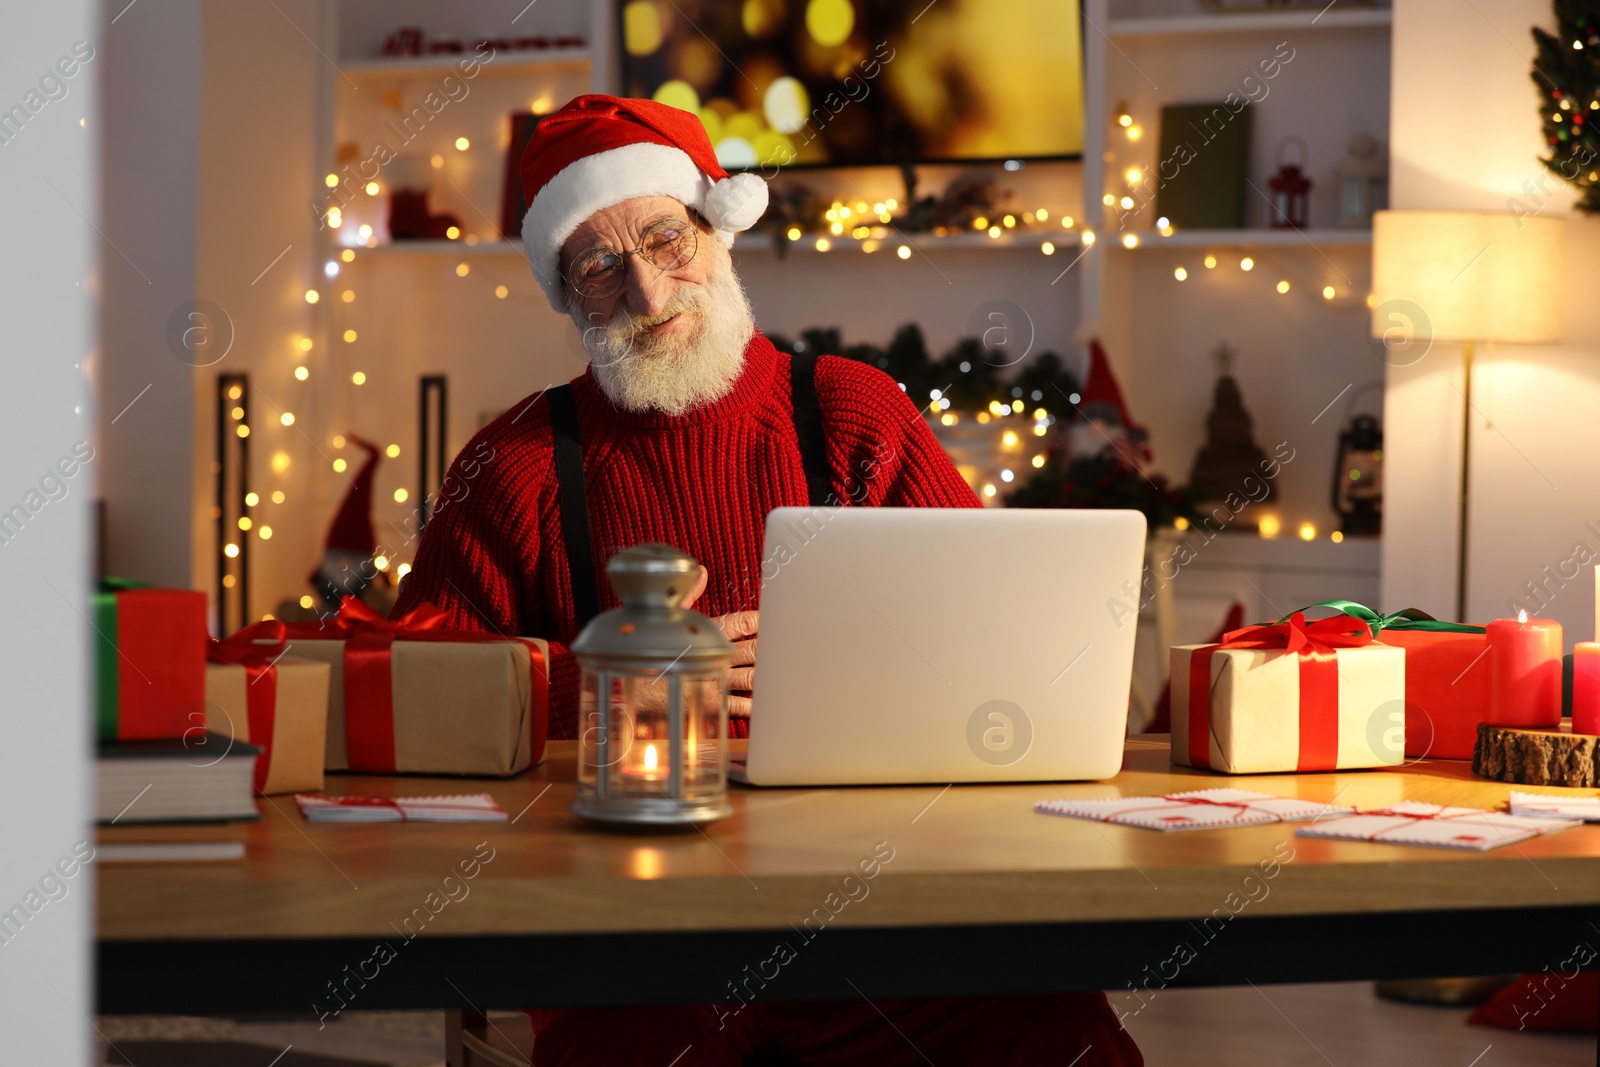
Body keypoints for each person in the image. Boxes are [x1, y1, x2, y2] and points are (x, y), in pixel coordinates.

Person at [392, 94, 1142, 1067]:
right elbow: (409, 688)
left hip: (878, 912)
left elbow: (987, 643)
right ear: (566, 294)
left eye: (667, 241)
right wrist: (605, 688)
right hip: (624, 935)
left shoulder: (852, 412)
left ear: (719, 231)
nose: (650, 295)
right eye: (598, 266)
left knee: (1058, 1034)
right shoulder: (515, 464)